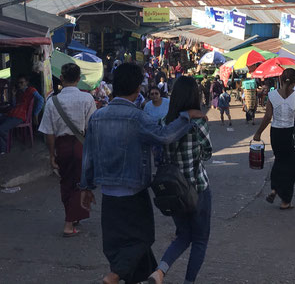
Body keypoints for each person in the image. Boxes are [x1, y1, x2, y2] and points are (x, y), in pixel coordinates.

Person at [79, 63, 207, 284]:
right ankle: (113, 276)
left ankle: (135, 276)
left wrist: (86, 186)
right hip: (134, 192)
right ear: (138, 89)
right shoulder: (137, 117)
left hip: (108, 194)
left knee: (116, 243)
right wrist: (186, 116)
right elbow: (164, 135)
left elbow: (88, 155)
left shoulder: (97, 117)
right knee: (143, 237)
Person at [148, 76, 212, 284]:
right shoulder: (199, 121)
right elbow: (208, 153)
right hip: (197, 188)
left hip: (173, 191)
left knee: (183, 236)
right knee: (200, 240)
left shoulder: (164, 122)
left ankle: (159, 272)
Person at [38, 63, 96, 237]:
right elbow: (91, 128)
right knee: (80, 182)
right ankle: (69, 225)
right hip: (81, 146)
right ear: (79, 79)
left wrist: (51, 154)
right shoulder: (87, 99)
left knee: (66, 182)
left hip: (62, 147)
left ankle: (73, 217)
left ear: (61, 78)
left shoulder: (52, 101)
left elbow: (49, 132)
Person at [253, 68, 295, 210]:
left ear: (280, 80)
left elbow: (268, 117)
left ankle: (275, 188)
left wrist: (258, 133)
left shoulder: (272, 95)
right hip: (292, 133)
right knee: (291, 167)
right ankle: (285, 200)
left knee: (279, 161)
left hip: (276, 134)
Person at [0, 75, 44, 154]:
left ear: (27, 82)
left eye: (21, 82)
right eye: (18, 83)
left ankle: (3, 148)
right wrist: (13, 95)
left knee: (2, 129)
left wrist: (35, 113)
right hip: (12, 113)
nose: (20, 85)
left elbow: (41, 99)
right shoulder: (19, 92)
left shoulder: (31, 90)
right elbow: (14, 105)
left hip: (19, 116)